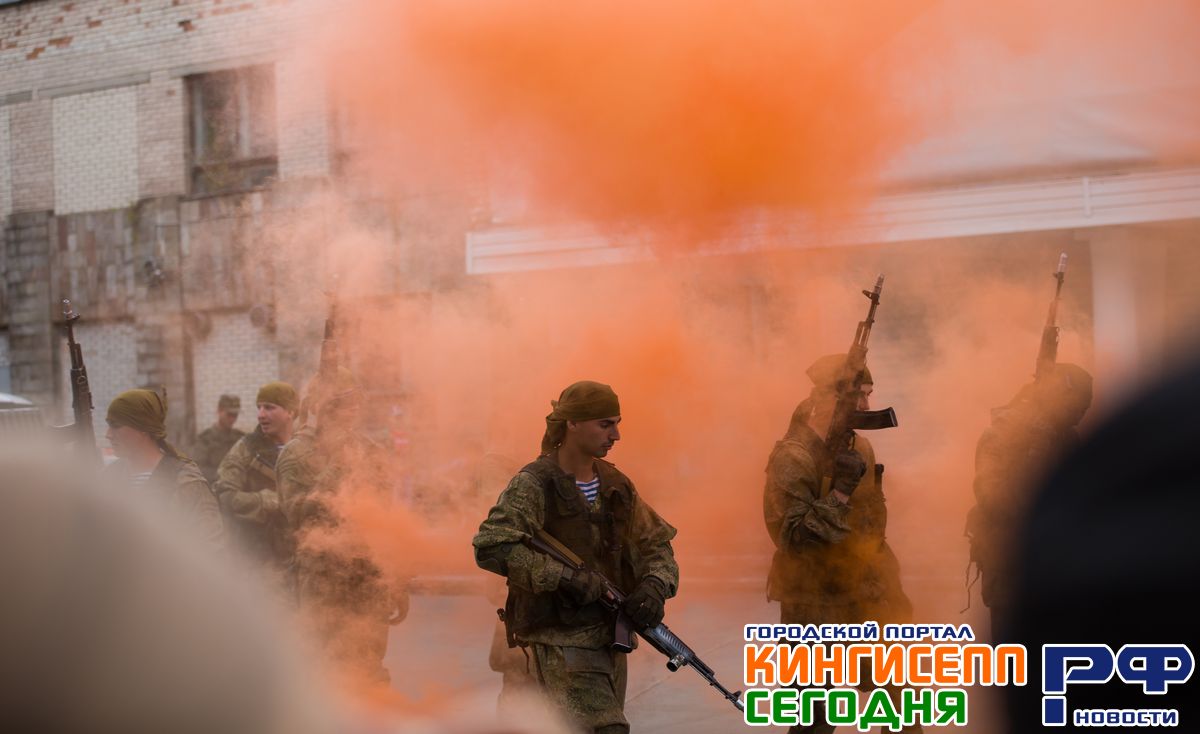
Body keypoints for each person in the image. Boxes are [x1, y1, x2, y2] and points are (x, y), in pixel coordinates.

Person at [473, 381, 679, 734]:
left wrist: (655, 585)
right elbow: (491, 545)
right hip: (561, 641)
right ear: (572, 423)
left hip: (609, 642)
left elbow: (657, 544)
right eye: (605, 424)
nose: (615, 435)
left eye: (617, 424)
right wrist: (562, 577)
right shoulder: (535, 483)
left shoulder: (616, 485)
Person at [762, 355, 917, 734]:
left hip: (865, 592)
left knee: (904, 706)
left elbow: (872, 525)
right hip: (814, 603)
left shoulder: (859, 448)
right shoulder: (793, 456)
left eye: (868, 394)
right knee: (816, 717)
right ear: (829, 397)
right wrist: (840, 493)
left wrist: (890, 583)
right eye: (858, 396)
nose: (866, 405)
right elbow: (792, 539)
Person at [276, 368, 407, 683]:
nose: (355, 410)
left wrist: (396, 580)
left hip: (368, 579)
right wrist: (336, 467)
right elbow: (297, 514)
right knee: (327, 674)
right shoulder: (296, 454)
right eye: (346, 403)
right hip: (324, 581)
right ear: (323, 406)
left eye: (357, 402)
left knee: (370, 669)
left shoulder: (368, 448)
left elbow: (387, 519)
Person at [965, 362, 1092, 637]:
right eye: (1075, 408)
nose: (1079, 417)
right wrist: (1035, 451)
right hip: (1010, 564)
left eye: (1084, 410)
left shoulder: (1065, 436)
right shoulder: (1002, 435)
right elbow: (993, 499)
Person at [104, 389, 224, 550]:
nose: (108, 434)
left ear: (142, 428)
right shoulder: (108, 478)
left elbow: (211, 548)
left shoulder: (186, 483)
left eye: (116, 426)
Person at [215, 381, 300, 594]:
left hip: (302, 562)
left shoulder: (307, 447)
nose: (261, 415)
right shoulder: (246, 449)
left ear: (290, 412)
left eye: (269, 407)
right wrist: (265, 501)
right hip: (261, 565)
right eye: (259, 407)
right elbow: (224, 496)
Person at [194, 394, 245, 484]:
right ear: (219, 411)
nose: (232, 419)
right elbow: (199, 470)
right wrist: (223, 475)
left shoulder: (240, 438)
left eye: (235, 415)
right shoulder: (205, 439)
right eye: (229, 414)